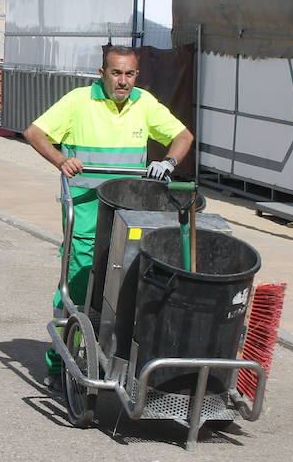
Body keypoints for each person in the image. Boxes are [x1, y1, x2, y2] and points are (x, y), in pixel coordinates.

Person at [23, 45, 194, 384]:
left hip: (129, 212)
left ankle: (117, 355)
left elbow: (182, 136)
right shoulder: (78, 102)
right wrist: (61, 160)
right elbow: (35, 133)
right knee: (81, 283)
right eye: (116, 73)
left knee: (128, 284)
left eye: (129, 74)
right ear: (101, 74)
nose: (123, 81)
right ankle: (59, 360)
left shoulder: (143, 103)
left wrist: (168, 162)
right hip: (87, 210)